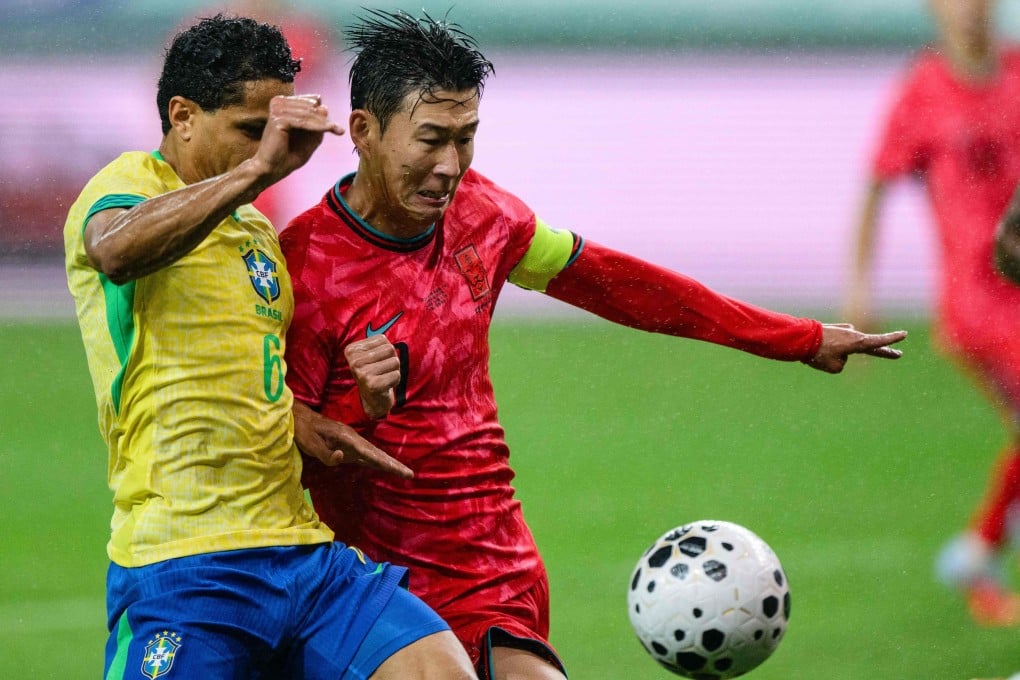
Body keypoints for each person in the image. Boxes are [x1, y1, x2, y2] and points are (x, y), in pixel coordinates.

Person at [281, 10, 908, 680]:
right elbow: (286, 454)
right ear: (363, 131)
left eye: (466, 140)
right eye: (431, 139)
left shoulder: (486, 217)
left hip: (491, 569)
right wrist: (362, 409)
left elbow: (621, 285)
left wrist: (799, 338)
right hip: (369, 584)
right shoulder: (307, 268)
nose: (449, 166)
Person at [63, 15, 476, 679]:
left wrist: (315, 417)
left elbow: (251, 369)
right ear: (183, 115)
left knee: (439, 669)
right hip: (185, 564)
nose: (272, 148)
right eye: (252, 130)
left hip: (301, 553)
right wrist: (256, 171)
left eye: (277, 130)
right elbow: (113, 250)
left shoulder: (257, 235)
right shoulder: (132, 186)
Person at [845, 0, 1020, 628]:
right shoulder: (922, 91)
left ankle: (979, 553)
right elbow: (875, 187)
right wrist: (860, 288)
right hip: (978, 304)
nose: (969, 9)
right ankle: (981, 547)